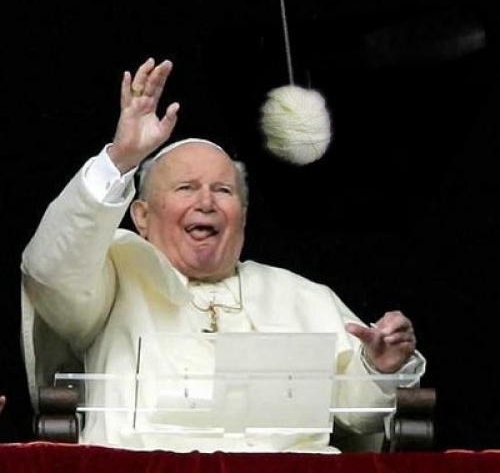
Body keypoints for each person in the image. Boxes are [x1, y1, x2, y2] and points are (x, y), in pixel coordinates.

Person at [20, 57, 425, 453]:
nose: (206, 202)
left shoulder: (302, 296)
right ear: (141, 216)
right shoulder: (112, 277)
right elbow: (50, 270)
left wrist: (379, 366)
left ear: (242, 217)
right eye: (186, 188)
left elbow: (359, 414)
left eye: (223, 190)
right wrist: (120, 159)